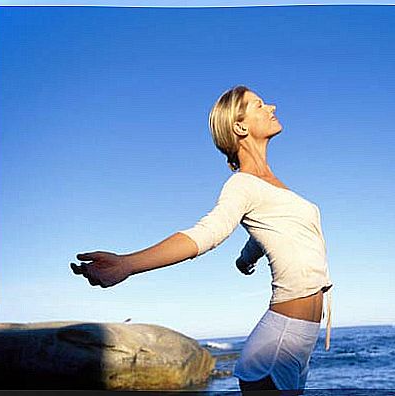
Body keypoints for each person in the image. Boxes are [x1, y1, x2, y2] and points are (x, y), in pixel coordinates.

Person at [71, 85, 333, 395]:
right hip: (277, 345)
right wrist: (128, 264)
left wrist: (245, 258)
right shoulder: (242, 185)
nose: (272, 107)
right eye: (260, 105)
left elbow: (275, 231)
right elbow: (206, 233)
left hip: (299, 341)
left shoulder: (271, 186)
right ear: (240, 126)